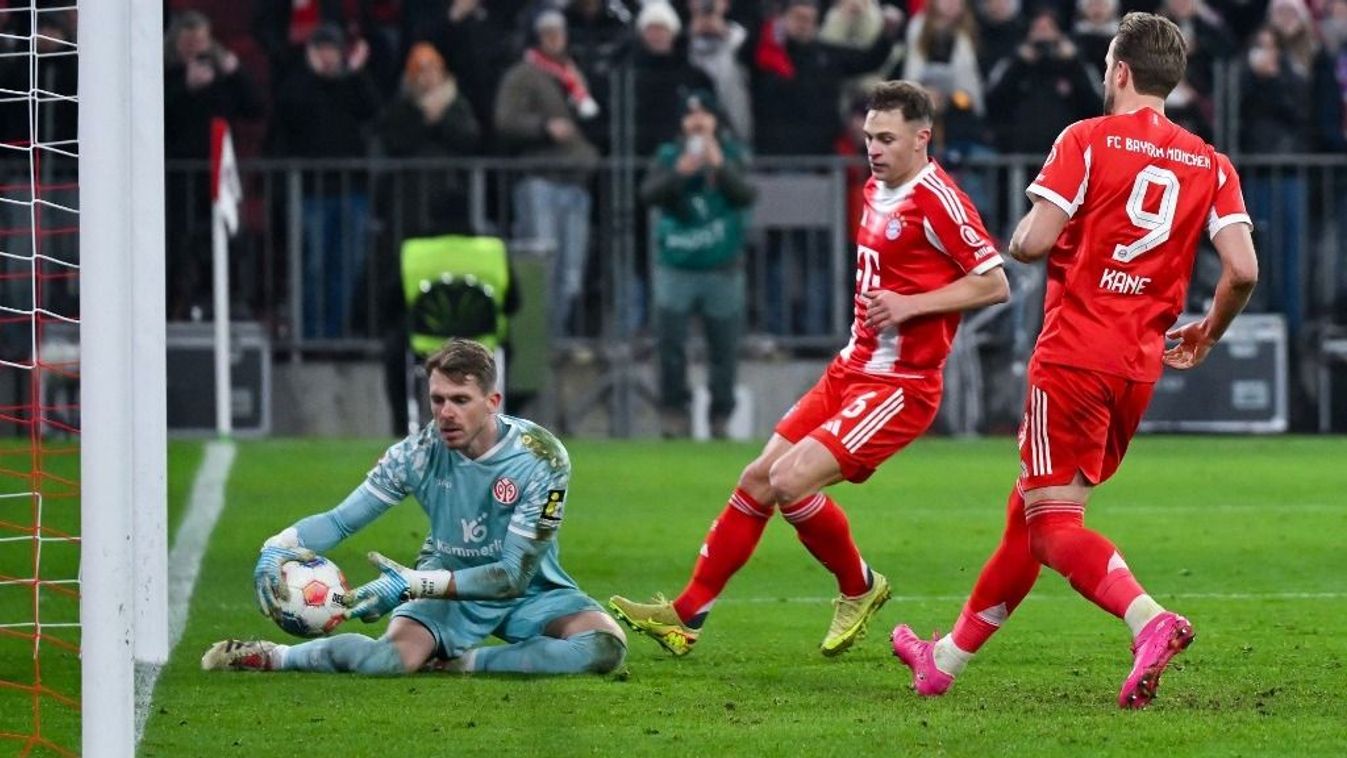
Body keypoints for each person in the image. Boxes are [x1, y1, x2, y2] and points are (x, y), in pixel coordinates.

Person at [891, 12, 1259, 709]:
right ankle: (941, 660)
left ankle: (1149, 622)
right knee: (1027, 511)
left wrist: (1036, 228)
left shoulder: (1084, 140)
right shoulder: (1210, 162)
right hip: (1136, 368)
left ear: (1118, 71)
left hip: (1071, 356)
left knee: (1052, 524)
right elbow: (1241, 269)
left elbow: (1030, 242)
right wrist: (1207, 331)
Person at [610, 80, 1009, 657]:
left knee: (791, 480)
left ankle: (859, 586)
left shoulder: (939, 199)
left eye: (887, 138)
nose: (873, 147)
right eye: (869, 136)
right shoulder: (875, 187)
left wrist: (911, 306)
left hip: (901, 386)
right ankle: (687, 614)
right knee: (756, 477)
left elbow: (994, 282)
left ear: (923, 139)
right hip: (852, 368)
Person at [202, 339, 628, 677]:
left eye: (460, 400)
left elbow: (512, 576)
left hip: (526, 588)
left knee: (605, 646)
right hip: (447, 585)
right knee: (385, 662)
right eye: (437, 399)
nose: (445, 413)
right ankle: (275, 657)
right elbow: (340, 520)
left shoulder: (541, 458)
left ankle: (461, 663)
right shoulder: (418, 454)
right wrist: (278, 546)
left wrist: (412, 584)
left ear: (493, 401)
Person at [642, 89, 757, 439]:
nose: (697, 121)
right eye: (691, 115)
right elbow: (649, 194)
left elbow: (745, 194)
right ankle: (674, 413)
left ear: (715, 119)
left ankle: (720, 417)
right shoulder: (668, 155)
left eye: (704, 114)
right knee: (670, 345)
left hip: (722, 266)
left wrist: (719, 166)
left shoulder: (732, 153)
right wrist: (680, 173)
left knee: (724, 348)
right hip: (676, 265)